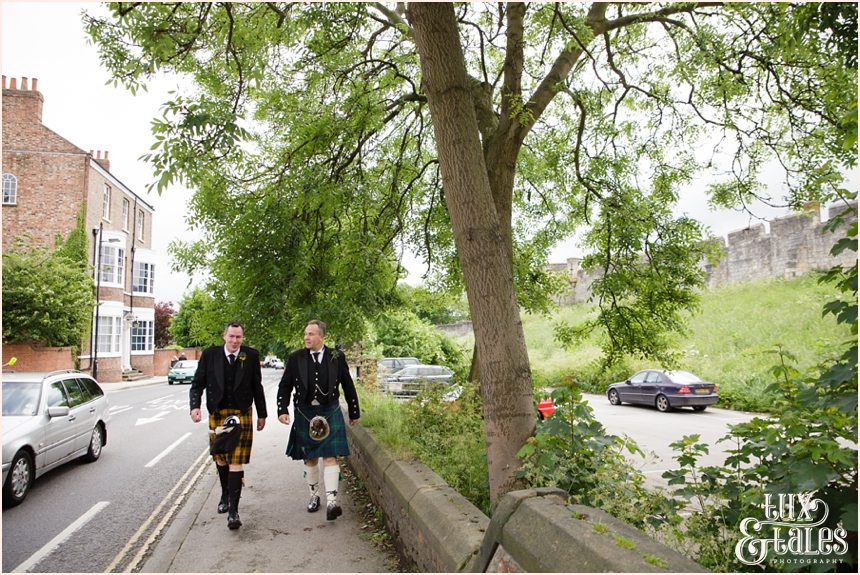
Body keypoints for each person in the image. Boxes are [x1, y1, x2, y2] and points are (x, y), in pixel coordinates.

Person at [277, 320, 360, 521]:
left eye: (311, 334)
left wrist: (354, 411)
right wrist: (282, 409)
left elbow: (347, 384)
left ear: (322, 336)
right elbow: (285, 385)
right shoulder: (296, 358)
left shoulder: (336, 357)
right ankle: (314, 496)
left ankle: (332, 502)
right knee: (310, 458)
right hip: (305, 411)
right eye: (305, 334)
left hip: (329, 409)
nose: (306, 337)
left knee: (330, 456)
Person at [190, 321, 267, 530]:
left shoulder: (250, 356)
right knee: (221, 459)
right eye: (231, 336)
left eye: (238, 337)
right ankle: (224, 493)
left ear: (243, 338)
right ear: (224, 336)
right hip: (218, 413)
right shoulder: (210, 355)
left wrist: (262, 414)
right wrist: (194, 407)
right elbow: (198, 383)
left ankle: (233, 512)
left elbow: (256, 386)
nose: (234, 341)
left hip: (241, 414)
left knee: (235, 461)